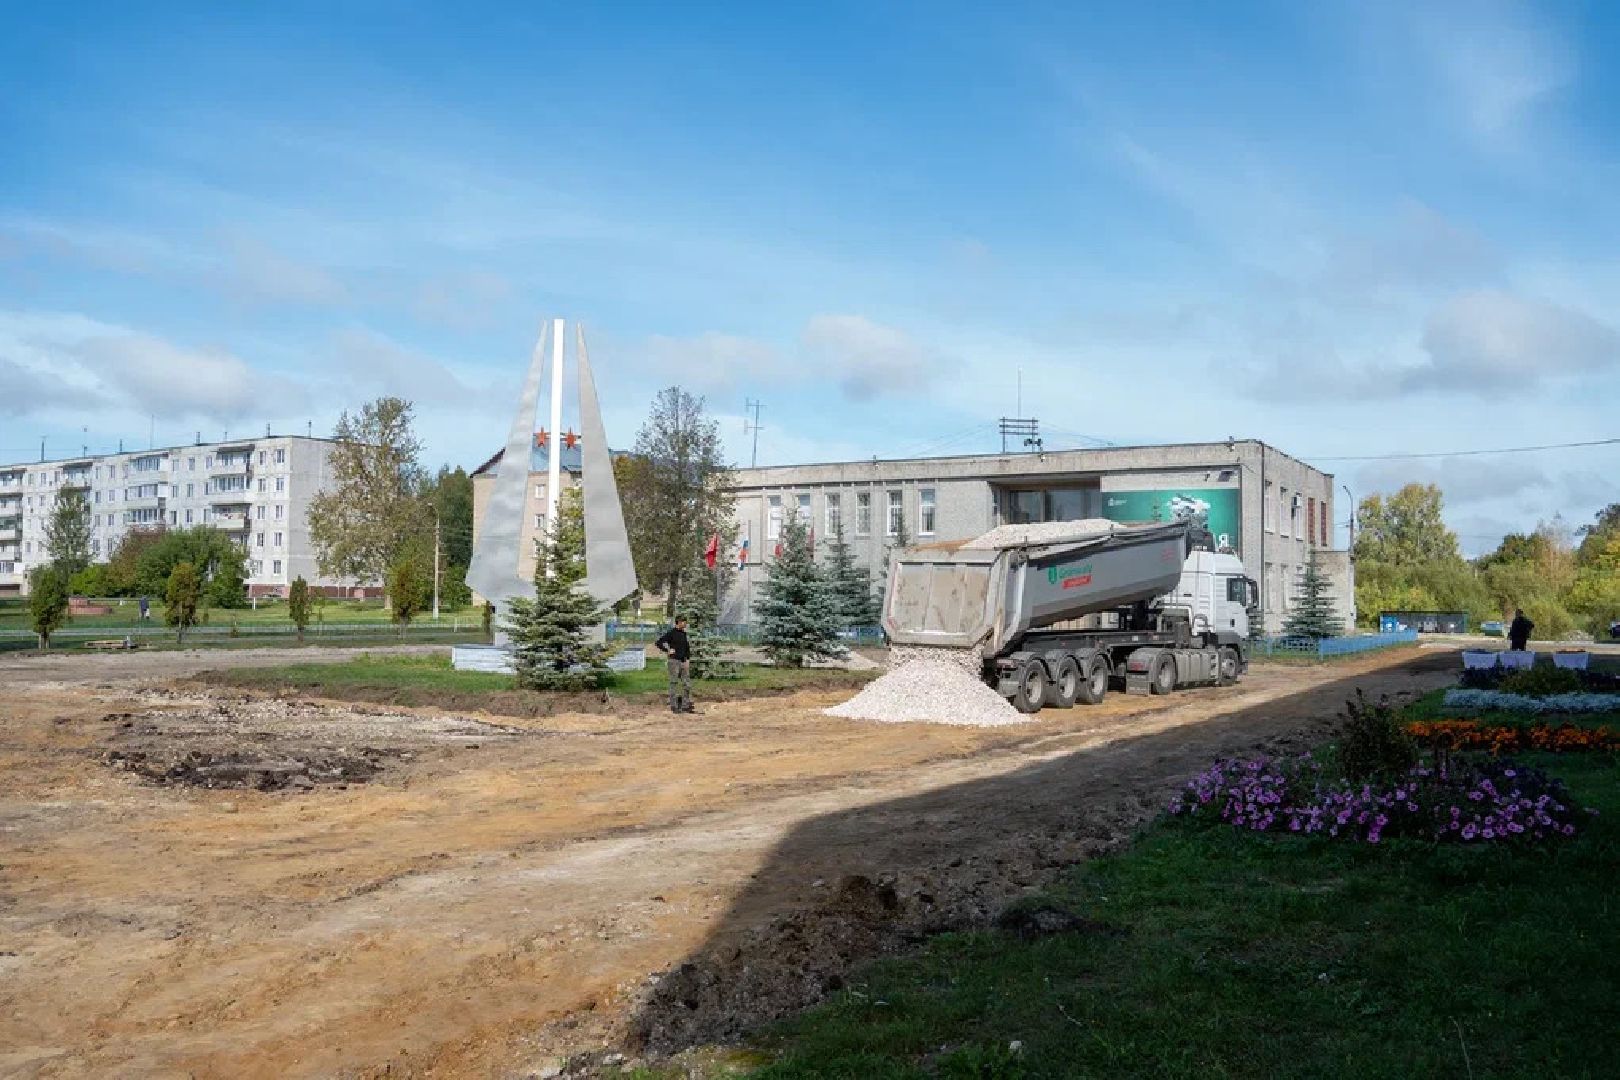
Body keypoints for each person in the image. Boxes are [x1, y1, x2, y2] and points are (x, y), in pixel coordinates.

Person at [654, 615, 694, 714]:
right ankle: (674, 706)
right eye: (684, 622)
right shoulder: (671, 633)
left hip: (683, 662)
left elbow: (687, 648)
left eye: (686, 622)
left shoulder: (683, 634)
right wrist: (667, 650)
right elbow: (659, 642)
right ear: (678, 622)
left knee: (687, 684)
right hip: (674, 661)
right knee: (674, 683)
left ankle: (685, 705)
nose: (685, 624)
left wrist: (687, 660)